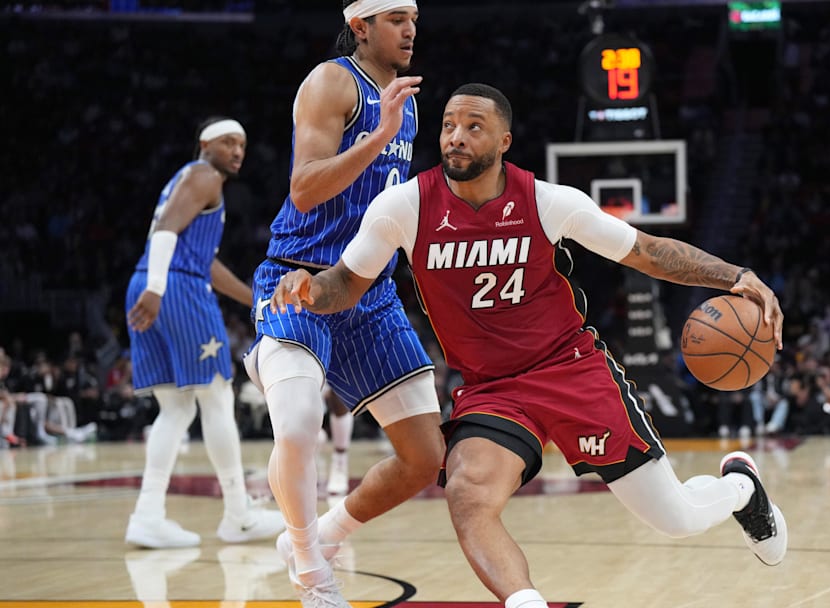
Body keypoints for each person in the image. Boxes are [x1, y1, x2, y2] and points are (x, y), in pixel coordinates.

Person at [269, 83, 789, 608]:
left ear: (504, 141)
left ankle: (741, 489)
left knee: (675, 517)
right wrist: (309, 289)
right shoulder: (403, 207)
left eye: (474, 128)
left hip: (572, 370)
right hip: (492, 390)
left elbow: (647, 252)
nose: (456, 138)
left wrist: (735, 276)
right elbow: (345, 283)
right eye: (449, 125)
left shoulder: (547, 202)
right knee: (468, 493)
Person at [243, 1, 443, 605]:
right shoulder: (333, 81)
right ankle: (311, 570)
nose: (410, 30)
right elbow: (304, 190)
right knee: (300, 425)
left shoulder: (403, 100)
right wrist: (378, 134)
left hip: (369, 291)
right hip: (299, 280)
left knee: (425, 457)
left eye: (414, 19)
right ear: (361, 26)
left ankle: (322, 533)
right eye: (395, 19)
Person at [124, 116, 285, 549]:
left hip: (153, 280)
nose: (237, 152)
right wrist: (159, 289)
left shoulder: (187, 182)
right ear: (205, 144)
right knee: (216, 395)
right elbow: (165, 233)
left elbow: (200, 258)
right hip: (174, 288)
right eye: (228, 142)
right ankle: (239, 515)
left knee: (175, 408)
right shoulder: (204, 176)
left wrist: (252, 298)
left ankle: (147, 515)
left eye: (242, 146)